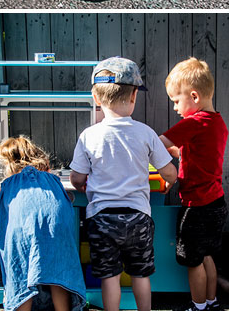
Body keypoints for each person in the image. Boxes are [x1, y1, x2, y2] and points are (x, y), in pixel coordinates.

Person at [69, 57, 178, 311]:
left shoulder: (89, 135)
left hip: (102, 219)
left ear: (96, 98)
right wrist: (168, 180)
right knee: (140, 275)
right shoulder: (145, 133)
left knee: (110, 277)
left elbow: (76, 179)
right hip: (139, 218)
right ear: (134, 96)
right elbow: (170, 172)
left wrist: (83, 184)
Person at [159, 58, 228, 311]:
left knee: (192, 261)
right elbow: (193, 154)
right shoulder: (216, 122)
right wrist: (176, 156)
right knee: (207, 255)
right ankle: (211, 302)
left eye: (177, 101)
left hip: (197, 207)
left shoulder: (193, 122)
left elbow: (159, 143)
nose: (176, 108)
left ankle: (197, 307)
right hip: (216, 203)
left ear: (194, 96)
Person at [0, 136, 86, 311]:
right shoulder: (53, 180)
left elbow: (5, 222)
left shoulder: (7, 185)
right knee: (58, 272)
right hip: (56, 228)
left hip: (21, 231)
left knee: (21, 272)